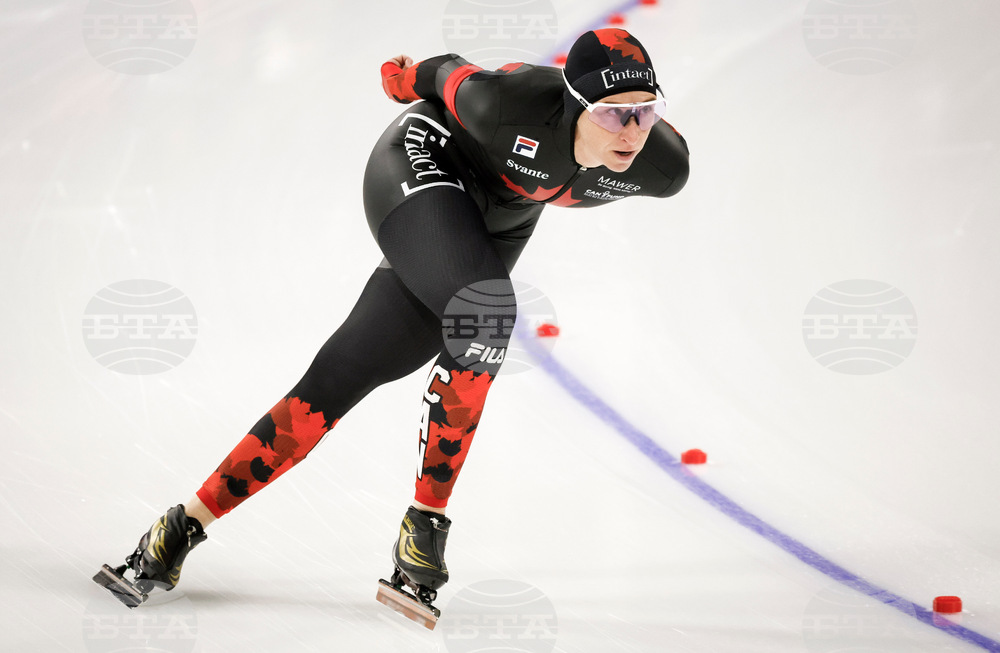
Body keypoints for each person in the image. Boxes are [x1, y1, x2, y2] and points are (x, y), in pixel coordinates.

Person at [94, 27, 689, 622]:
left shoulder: (662, 166)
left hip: (496, 222)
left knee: (340, 377)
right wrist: (399, 78)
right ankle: (425, 529)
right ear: (575, 103)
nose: (633, 131)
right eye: (613, 116)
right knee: (486, 312)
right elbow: (443, 72)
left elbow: (656, 143)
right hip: (421, 162)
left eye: (645, 111)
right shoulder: (505, 104)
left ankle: (176, 530)